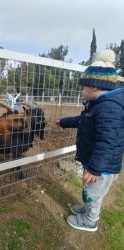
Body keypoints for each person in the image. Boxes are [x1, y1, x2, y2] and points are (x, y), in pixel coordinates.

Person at [57, 49, 124, 232]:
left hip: (102, 167)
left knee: (94, 195)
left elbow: (107, 142)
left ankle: (90, 221)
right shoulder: (98, 105)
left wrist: (95, 168)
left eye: (83, 86)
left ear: (94, 86)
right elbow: (84, 121)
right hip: (97, 162)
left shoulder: (108, 109)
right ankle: (87, 210)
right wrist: (64, 122)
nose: (81, 90)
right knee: (90, 191)